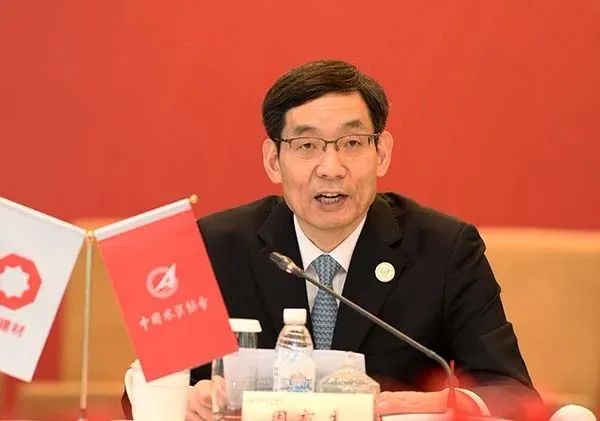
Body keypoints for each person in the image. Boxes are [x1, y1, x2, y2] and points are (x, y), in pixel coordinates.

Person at [124, 60, 542, 420]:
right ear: (273, 160)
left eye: (352, 143)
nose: (331, 168)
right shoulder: (212, 247)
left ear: (382, 153)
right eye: (306, 145)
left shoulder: (445, 250)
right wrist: (183, 400)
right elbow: (142, 396)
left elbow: (512, 394)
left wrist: (430, 404)